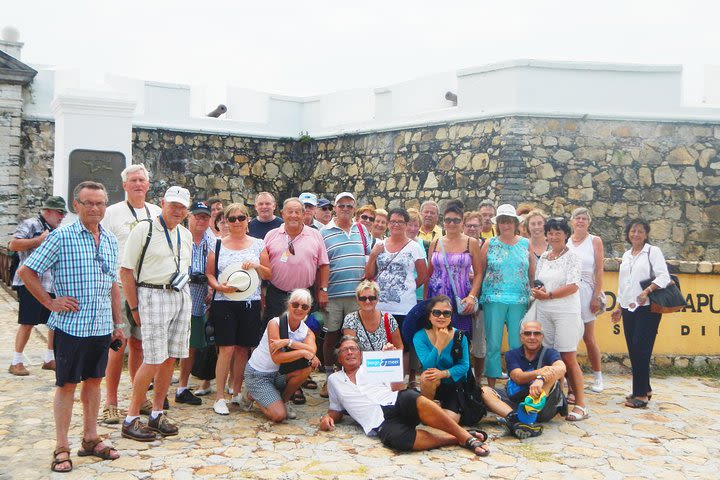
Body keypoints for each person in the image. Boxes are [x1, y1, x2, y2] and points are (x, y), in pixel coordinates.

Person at [18, 181, 123, 472]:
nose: (94, 208)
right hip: (71, 326)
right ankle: (61, 447)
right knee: (66, 385)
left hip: (101, 326)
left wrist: (117, 323)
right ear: (76, 206)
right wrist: (50, 302)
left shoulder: (111, 240)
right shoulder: (61, 237)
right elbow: (26, 271)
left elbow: (113, 285)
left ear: (105, 206)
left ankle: (91, 439)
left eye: (100, 203)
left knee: (94, 382)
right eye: (88, 202)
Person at [320, 335, 489, 456]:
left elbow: (397, 388)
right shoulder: (334, 380)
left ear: (360, 353)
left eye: (353, 349)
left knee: (410, 396)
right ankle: (454, 438)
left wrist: (390, 361)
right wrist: (328, 418)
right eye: (345, 350)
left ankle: (465, 437)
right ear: (339, 359)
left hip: (394, 400)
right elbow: (336, 409)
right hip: (378, 421)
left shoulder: (372, 365)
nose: (350, 352)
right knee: (398, 440)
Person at [120, 186, 193, 442]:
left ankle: (157, 413)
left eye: (183, 206)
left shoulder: (186, 234)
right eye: (173, 204)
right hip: (151, 294)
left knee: (170, 358)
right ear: (162, 203)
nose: (178, 210)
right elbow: (126, 270)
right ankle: (131, 418)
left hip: (179, 295)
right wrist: (134, 307)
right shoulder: (144, 229)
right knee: (152, 358)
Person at [100, 163, 162, 424]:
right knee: (119, 344)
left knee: (140, 345)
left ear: (148, 185)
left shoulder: (157, 212)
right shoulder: (112, 213)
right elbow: (100, 245)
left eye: (142, 180)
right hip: (121, 285)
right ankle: (111, 402)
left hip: (148, 287)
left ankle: (138, 398)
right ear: (124, 185)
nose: (138, 184)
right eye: (133, 180)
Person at [206, 203, 271, 415]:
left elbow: (268, 274)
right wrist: (218, 287)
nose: (236, 222)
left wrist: (256, 267)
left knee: (243, 349)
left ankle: (235, 391)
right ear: (225, 220)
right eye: (231, 218)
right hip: (224, 301)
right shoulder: (217, 244)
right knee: (226, 349)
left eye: (241, 218)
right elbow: (209, 274)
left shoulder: (258, 244)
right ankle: (219, 397)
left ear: (247, 220)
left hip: (249, 301)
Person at [531, 217, 588, 421]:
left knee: (568, 357)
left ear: (566, 235)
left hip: (566, 311)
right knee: (550, 357)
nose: (554, 237)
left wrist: (550, 295)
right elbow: (539, 281)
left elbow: (573, 285)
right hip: (545, 311)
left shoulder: (573, 257)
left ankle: (581, 404)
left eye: (558, 233)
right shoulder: (545, 257)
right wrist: (539, 291)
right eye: (551, 233)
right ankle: (557, 399)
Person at [611, 218, 671, 409]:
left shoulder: (652, 252)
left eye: (640, 231)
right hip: (630, 307)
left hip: (647, 307)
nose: (636, 234)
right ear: (628, 234)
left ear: (646, 234)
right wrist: (619, 307)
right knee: (633, 348)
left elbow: (664, 276)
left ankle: (640, 395)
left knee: (641, 349)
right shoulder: (627, 254)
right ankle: (644, 388)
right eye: (633, 231)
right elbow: (624, 283)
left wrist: (648, 290)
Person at [366, 208, 427, 386]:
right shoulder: (379, 245)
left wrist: (407, 289)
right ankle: (381, 382)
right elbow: (369, 274)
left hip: (404, 307)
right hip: (381, 306)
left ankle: (400, 383)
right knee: (380, 344)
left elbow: (423, 275)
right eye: (392, 221)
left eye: (400, 222)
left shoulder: (414, 247)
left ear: (407, 225)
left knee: (404, 346)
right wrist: (373, 255)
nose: (396, 225)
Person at [319, 192, 371, 397]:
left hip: (357, 295)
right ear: (335, 207)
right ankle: (329, 378)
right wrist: (321, 290)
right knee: (331, 335)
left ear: (354, 208)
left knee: (352, 337)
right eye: (342, 205)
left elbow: (368, 258)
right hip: (333, 293)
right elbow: (320, 264)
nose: (346, 209)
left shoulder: (362, 230)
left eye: (350, 206)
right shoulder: (324, 232)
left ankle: (351, 377)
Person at [8, 195, 66, 376]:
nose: (62, 216)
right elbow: (13, 244)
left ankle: (50, 358)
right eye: (59, 212)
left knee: (54, 323)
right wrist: (38, 241)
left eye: (63, 213)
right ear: (48, 211)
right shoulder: (31, 224)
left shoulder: (57, 229)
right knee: (28, 322)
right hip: (31, 282)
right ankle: (16, 361)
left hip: (51, 283)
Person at [477, 204, 534, 388]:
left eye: (509, 221)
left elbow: (531, 273)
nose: (506, 225)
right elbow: (480, 271)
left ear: (516, 223)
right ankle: (491, 386)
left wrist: (533, 294)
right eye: (502, 221)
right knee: (493, 343)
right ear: (498, 223)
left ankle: (516, 382)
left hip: (519, 299)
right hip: (493, 299)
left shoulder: (526, 244)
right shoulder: (489, 243)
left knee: (517, 344)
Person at [481, 320, 567, 439]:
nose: (532, 337)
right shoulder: (512, 354)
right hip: (518, 403)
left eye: (536, 334)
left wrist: (541, 379)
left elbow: (562, 368)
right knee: (484, 391)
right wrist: (539, 372)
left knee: (554, 375)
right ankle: (516, 420)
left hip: (543, 405)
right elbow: (518, 377)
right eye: (527, 333)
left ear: (542, 337)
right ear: (521, 337)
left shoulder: (550, 353)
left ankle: (531, 413)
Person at [244, 289, 320, 422]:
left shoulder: (306, 331)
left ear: (308, 310)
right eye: (295, 305)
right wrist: (303, 351)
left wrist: (288, 342)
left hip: (279, 372)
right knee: (279, 416)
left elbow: (312, 352)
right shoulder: (275, 323)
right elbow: (276, 357)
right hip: (259, 374)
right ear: (288, 305)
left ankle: (284, 401)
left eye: (304, 306)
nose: (299, 309)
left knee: (308, 367)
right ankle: (253, 395)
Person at [262, 198, 330, 323]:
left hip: (305, 295)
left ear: (304, 215)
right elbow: (262, 266)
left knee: (305, 334)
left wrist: (323, 290)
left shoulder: (315, 235)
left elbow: (324, 265)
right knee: (275, 334)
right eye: (290, 212)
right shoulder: (271, 235)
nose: (294, 215)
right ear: (282, 213)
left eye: (297, 212)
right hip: (276, 295)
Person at [175, 201, 214, 406]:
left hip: (199, 301)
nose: (201, 220)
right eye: (197, 216)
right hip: (176, 299)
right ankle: (161, 390)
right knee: (169, 346)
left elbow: (217, 269)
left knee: (191, 347)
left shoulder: (212, 240)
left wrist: (211, 286)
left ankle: (182, 387)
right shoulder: (178, 235)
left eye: (205, 217)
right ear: (189, 216)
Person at [425, 201, 482, 339]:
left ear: (462, 222)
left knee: (459, 339)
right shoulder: (436, 242)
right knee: (436, 337)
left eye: (456, 220)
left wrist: (472, 297)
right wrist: (426, 300)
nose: (451, 224)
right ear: (443, 222)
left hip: (460, 298)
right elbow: (429, 274)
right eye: (448, 220)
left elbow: (479, 273)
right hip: (436, 296)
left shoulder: (471, 243)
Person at [413, 295, 469, 423]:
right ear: (429, 315)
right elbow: (427, 366)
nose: (441, 317)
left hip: (454, 384)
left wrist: (443, 373)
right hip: (432, 384)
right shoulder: (420, 337)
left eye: (446, 313)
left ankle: (432, 413)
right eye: (437, 312)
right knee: (427, 376)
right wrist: (439, 343)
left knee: (452, 419)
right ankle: (428, 408)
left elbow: (464, 365)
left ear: (451, 316)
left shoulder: (460, 336)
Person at [567, 207, 605, 393]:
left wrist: (596, 295)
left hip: (587, 291)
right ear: (572, 221)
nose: (580, 221)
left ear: (588, 222)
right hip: (568, 291)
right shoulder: (567, 241)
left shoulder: (594, 241)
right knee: (568, 336)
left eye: (584, 218)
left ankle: (598, 377)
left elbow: (599, 269)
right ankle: (569, 375)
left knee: (588, 337)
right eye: (577, 218)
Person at [342, 280, 403, 351]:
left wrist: (391, 350)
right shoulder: (350, 320)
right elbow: (350, 350)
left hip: (384, 361)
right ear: (357, 300)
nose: (367, 301)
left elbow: (399, 347)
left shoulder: (389, 319)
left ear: (377, 299)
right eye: (363, 298)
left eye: (371, 298)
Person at [462, 210, 486, 385]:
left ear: (481, 227)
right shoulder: (458, 245)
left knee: (479, 343)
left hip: (481, 299)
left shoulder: (486, 245)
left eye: (475, 225)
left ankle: (477, 380)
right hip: (460, 298)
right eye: (468, 225)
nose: (472, 228)